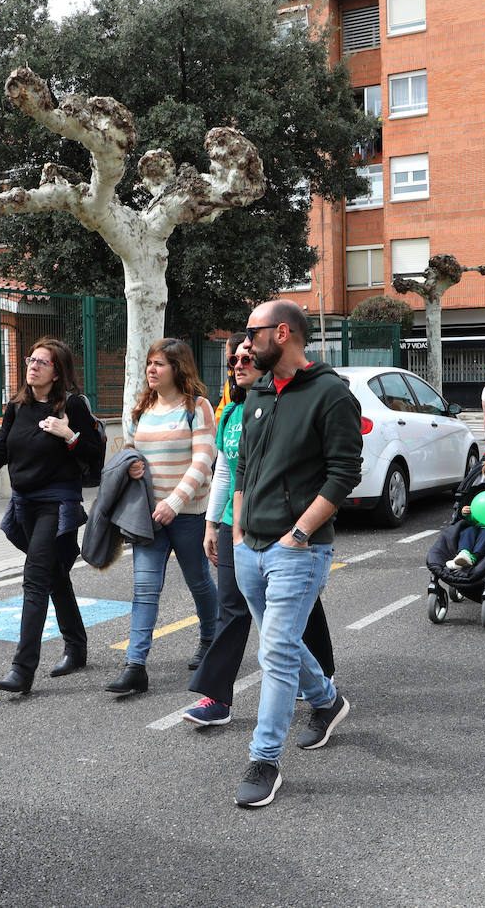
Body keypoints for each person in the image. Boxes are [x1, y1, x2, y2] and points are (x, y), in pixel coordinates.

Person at [231, 300, 362, 808]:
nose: (245, 343)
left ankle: (264, 759)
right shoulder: (257, 392)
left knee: (275, 651)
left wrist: (300, 534)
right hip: (250, 544)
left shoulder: (331, 394)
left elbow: (344, 473)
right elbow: (243, 467)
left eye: (252, 333)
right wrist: (239, 532)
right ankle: (328, 703)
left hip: (298, 550)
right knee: (279, 643)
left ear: (282, 334)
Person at [183, 335, 335, 728]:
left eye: (247, 357)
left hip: (288, 530)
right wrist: (213, 524)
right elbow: (225, 472)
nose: (238, 364)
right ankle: (217, 696)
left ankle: (321, 680)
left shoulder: (293, 404)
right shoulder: (232, 413)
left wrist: (300, 531)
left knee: (298, 614)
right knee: (233, 609)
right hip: (240, 528)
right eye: (233, 358)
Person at [0, 337, 103, 695]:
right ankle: (76, 646)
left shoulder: (71, 406)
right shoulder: (18, 405)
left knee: (35, 579)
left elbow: (96, 456)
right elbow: (0, 448)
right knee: (54, 576)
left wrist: (68, 434)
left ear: (57, 373)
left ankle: (22, 671)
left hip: (57, 506)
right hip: (24, 504)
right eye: (31, 359)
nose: (33, 365)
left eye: (42, 362)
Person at [106, 339, 219, 696]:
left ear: (178, 368)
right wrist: (133, 465)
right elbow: (132, 451)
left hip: (188, 514)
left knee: (199, 581)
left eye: (159, 364)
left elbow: (204, 461)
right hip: (149, 518)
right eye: (149, 364)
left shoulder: (197, 407)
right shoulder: (142, 408)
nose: (151, 370)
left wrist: (175, 501)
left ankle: (210, 639)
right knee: (144, 590)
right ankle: (135, 666)